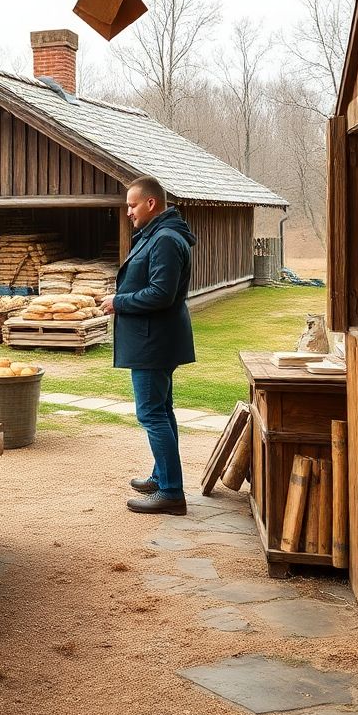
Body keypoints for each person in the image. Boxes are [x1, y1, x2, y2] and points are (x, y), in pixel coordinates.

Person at [101, 176, 196, 515]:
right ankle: (162, 476)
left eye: (132, 205)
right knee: (162, 411)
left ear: (151, 204)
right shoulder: (159, 235)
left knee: (152, 413)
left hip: (153, 342)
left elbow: (161, 294)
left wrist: (118, 302)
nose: (128, 212)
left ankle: (171, 492)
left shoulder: (166, 240)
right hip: (154, 340)